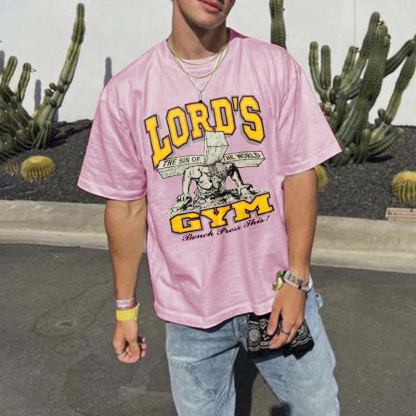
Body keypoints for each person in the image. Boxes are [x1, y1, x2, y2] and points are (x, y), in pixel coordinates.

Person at [77, 0, 343, 414]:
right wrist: (125, 309)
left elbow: (299, 174)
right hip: (191, 316)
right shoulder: (127, 93)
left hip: (275, 297)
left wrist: (296, 278)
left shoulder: (273, 67)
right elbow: (126, 208)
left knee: (317, 409)